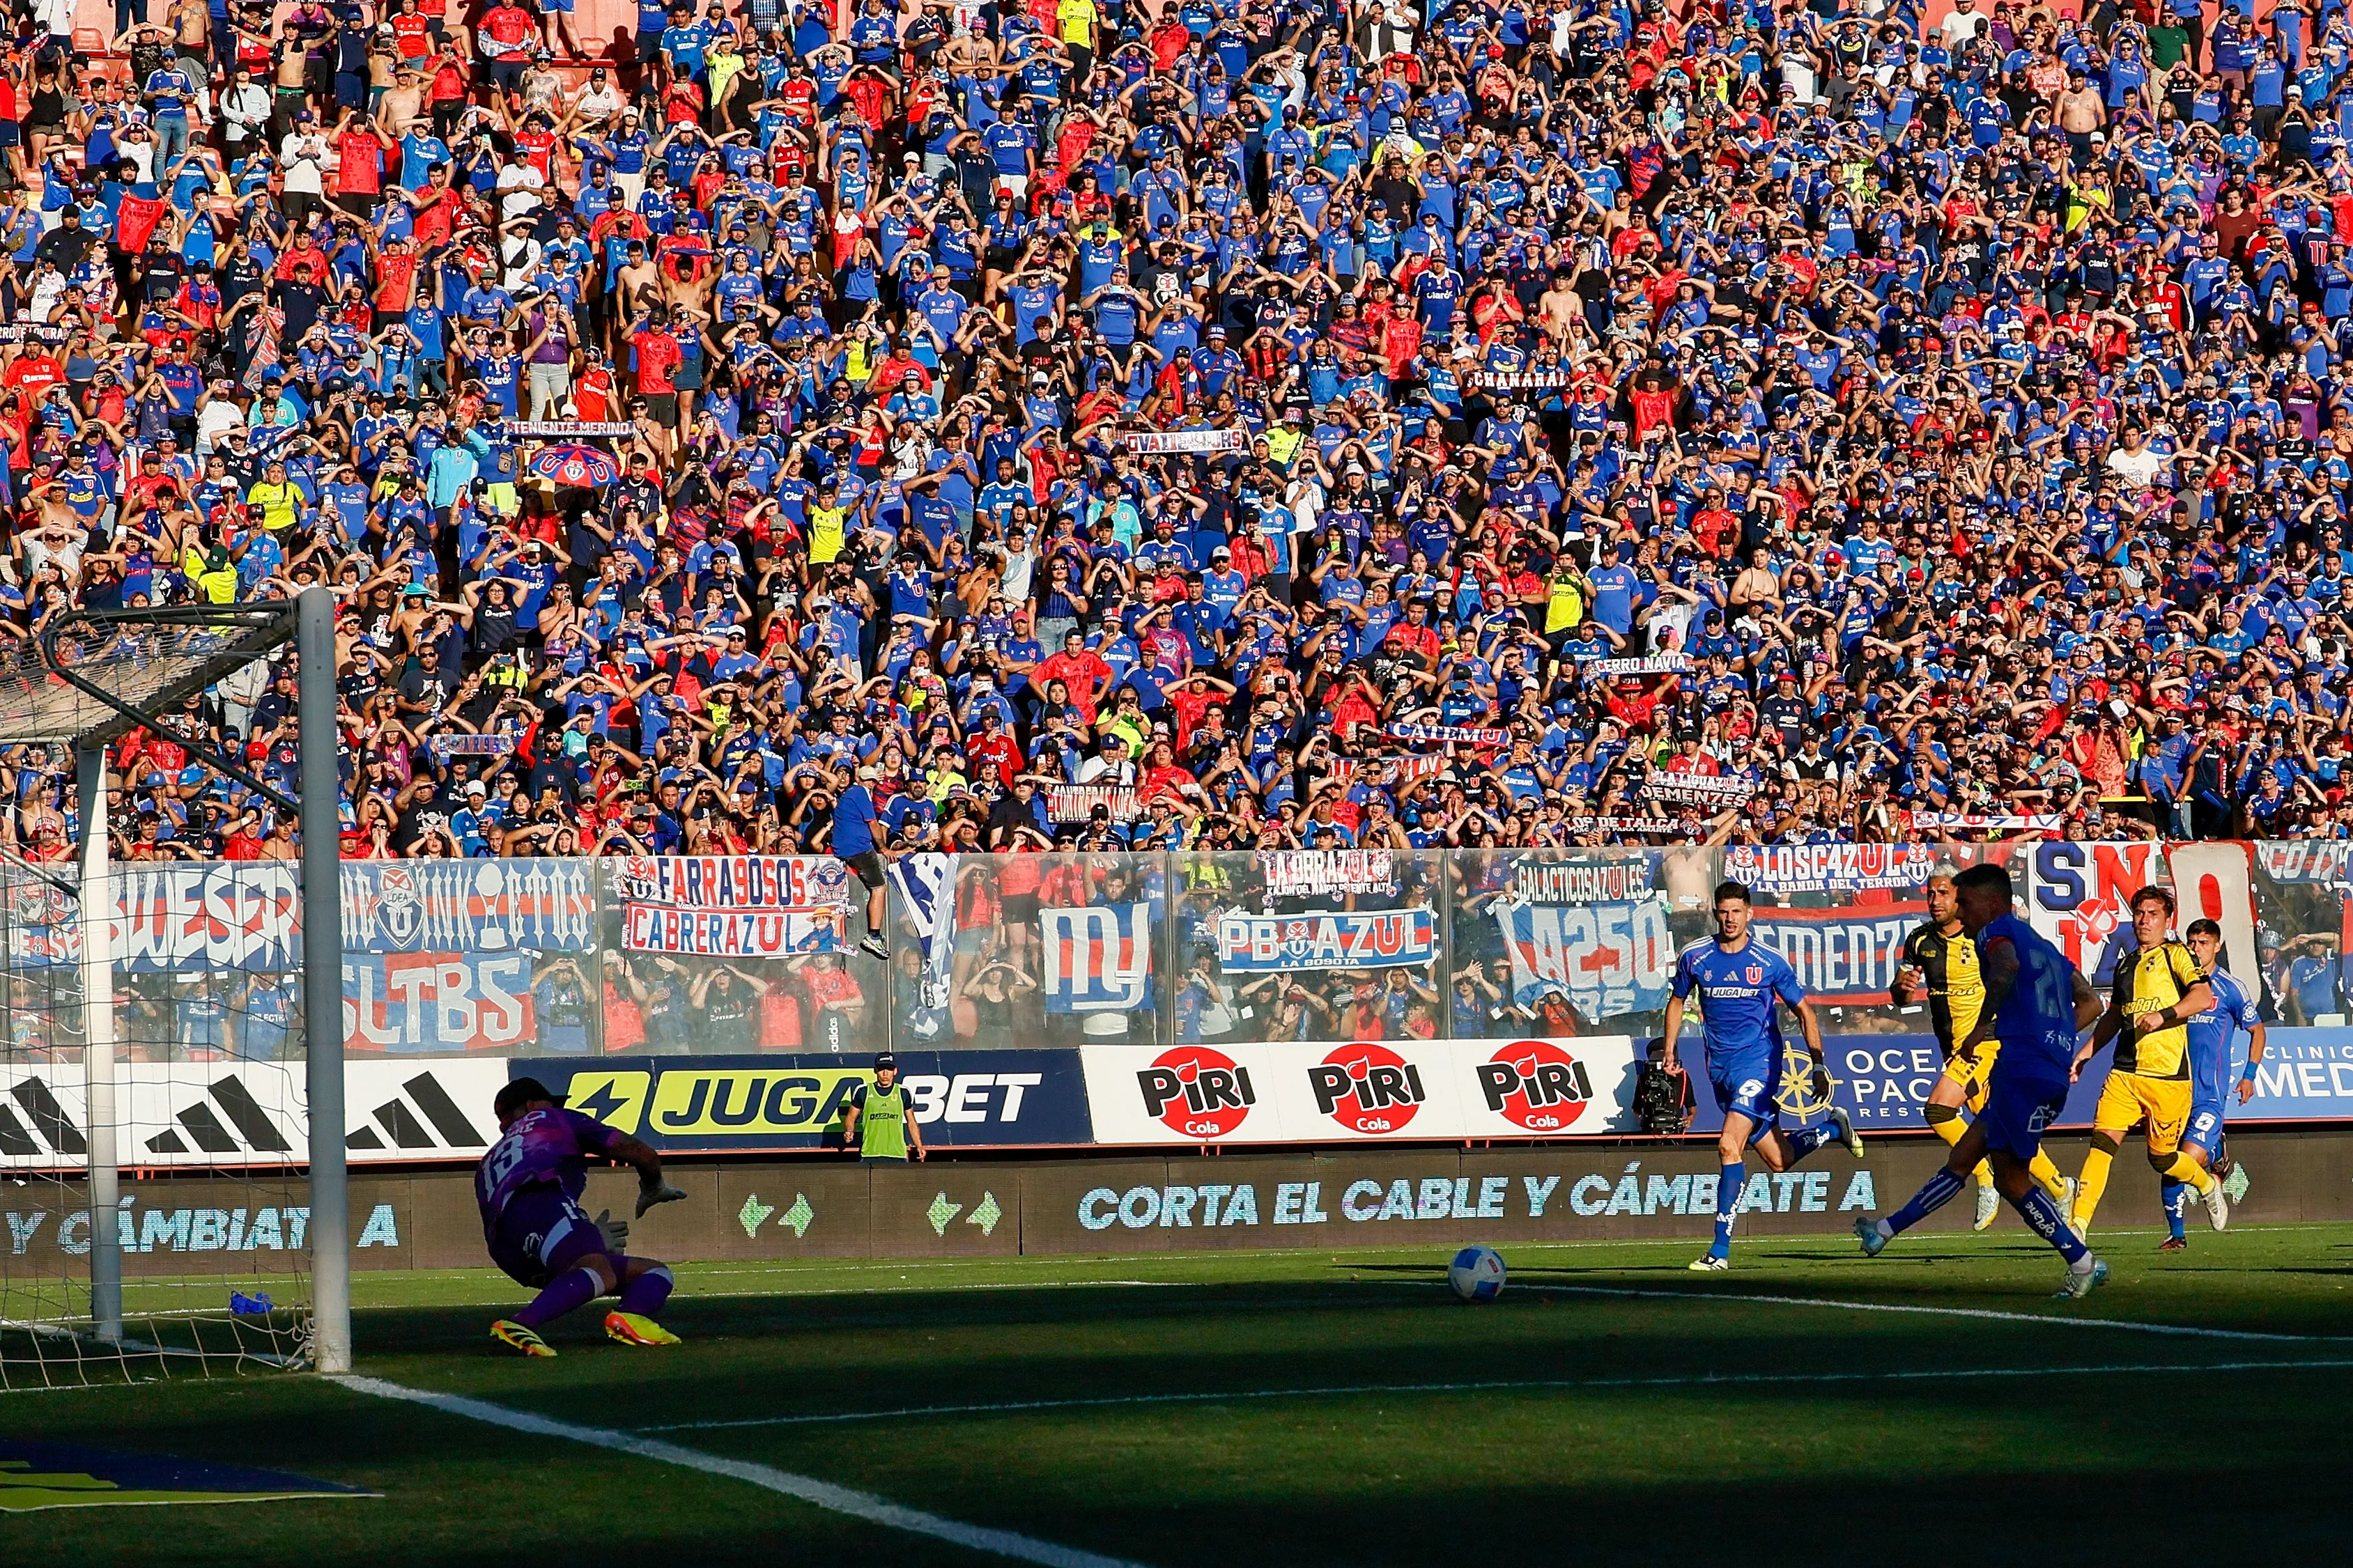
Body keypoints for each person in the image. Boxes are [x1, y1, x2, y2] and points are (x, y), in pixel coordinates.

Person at [1858, 864, 2111, 1298]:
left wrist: (1981, 1026)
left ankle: (2082, 1260)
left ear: (1992, 903)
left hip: (2022, 1071)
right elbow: (2090, 1002)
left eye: (1967, 902)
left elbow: (2004, 968)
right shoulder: (2045, 947)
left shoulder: (1995, 934)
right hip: (2035, 1067)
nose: (1961, 909)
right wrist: (2051, 1038)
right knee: (1963, 1158)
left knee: (2012, 1180)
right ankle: (1883, 1230)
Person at [1661, 880, 1863, 1273]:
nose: (1730, 918)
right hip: (1719, 1068)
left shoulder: (1769, 961)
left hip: (1760, 1063)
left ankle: (1719, 1250)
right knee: (1779, 1160)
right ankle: (1832, 1130)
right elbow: (1676, 1001)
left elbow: (1805, 1012)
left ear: (1750, 914)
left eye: (1737, 911)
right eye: (1724, 912)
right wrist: (1670, 1049)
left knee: (1727, 1146)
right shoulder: (1695, 956)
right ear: (1715, 914)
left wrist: (1818, 1063)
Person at [1891, 871, 2074, 1232]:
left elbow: (2008, 976)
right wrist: (1901, 988)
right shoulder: (1919, 941)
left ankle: (1982, 1176)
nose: (1936, 901)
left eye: (1945, 893)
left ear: (1962, 899)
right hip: (1954, 1048)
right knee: (2001, 1128)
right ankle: (2060, 1186)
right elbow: (1900, 996)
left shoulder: (1986, 938)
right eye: (1930, 894)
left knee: (1940, 1108)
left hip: (1986, 1044)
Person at [477, 1076, 688, 1358]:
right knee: (600, 1270)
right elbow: (642, 1153)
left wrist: (579, 1244)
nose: (555, 1106)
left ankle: (630, 1317)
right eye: (549, 1102)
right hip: (543, 1203)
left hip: (506, 1249)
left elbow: (507, 1215)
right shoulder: (552, 1118)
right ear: (530, 1105)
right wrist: (654, 1186)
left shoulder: (490, 1158)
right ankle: (520, 1323)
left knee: (653, 1271)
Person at [2067, 887, 2228, 1241]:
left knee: (2162, 1159)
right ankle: (2077, 1226)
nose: (2144, 920)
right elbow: (2114, 1016)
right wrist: (2085, 1052)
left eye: (2152, 913)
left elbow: (2203, 997)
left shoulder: (2178, 956)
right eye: (2139, 912)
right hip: (2124, 1073)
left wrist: (2165, 1015)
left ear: (2167, 919)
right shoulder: (2126, 964)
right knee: (2102, 1144)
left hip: (2168, 1078)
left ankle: (2205, 1182)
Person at [2160, 919, 2266, 1250]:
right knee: (2168, 1163)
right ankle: (2177, 1237)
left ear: (2217, 947)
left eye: (2203, 942)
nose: (2195, 948)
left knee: (2184, 1162)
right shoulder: (2175, 986)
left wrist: (2248, 1075)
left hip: (2209, 1096)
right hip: (2174, 1091)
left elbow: (2257, 1031)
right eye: (2191, 942)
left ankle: (2212, 1158)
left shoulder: (2230, 988)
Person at [840, 1053, 925, 1163]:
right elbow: (851, 1117)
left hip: (897, 1154)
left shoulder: (903, 1092)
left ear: (895, 1071)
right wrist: (849, 1130)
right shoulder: (863, 1091)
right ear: (875, 1070)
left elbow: (911, 1121)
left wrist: (919, 1145)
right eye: (881, 1069)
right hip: (870, 1154)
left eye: (889, 1069)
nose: (885, 1074)